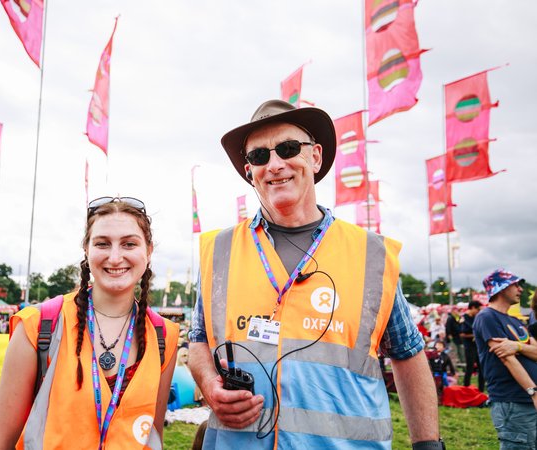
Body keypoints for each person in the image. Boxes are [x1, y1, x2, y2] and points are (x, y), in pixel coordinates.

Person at [188, 100, 441, 449]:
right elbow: (199, 338)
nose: (274, 165)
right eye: (260, 156)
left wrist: (428, 444)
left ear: (316, 157)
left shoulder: (370, 255)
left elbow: (407, 352)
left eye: (288, 149)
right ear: (250, 171)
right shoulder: (220, 251)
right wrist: (207, 383)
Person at [0, 197, 179, 450]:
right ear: (87, 250)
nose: (115, 257)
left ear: (148, 251)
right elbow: (1, 443)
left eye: (129, 244)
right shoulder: (39, 325)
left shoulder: (164, 335)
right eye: (102, 243)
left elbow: (151, 436)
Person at [473, 269, 537, 449]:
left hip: (528, 400)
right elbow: (507, 359)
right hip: (512, 401)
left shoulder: (515, 321)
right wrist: (533, 391)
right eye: (515, 285)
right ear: (500, 288)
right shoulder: (487, 316)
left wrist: (517, 346)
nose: (521, 289)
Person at [460, 300, 485, 392]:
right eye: (478, 309)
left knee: (481, 369)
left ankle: (481, 391)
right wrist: (475, 335)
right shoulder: (464, 319)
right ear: (473, 307)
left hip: (478, 346)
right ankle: (466, 390)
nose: (479, 312)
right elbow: (462, 334)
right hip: (469, 347)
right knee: (469, 368)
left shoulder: (476, 317)